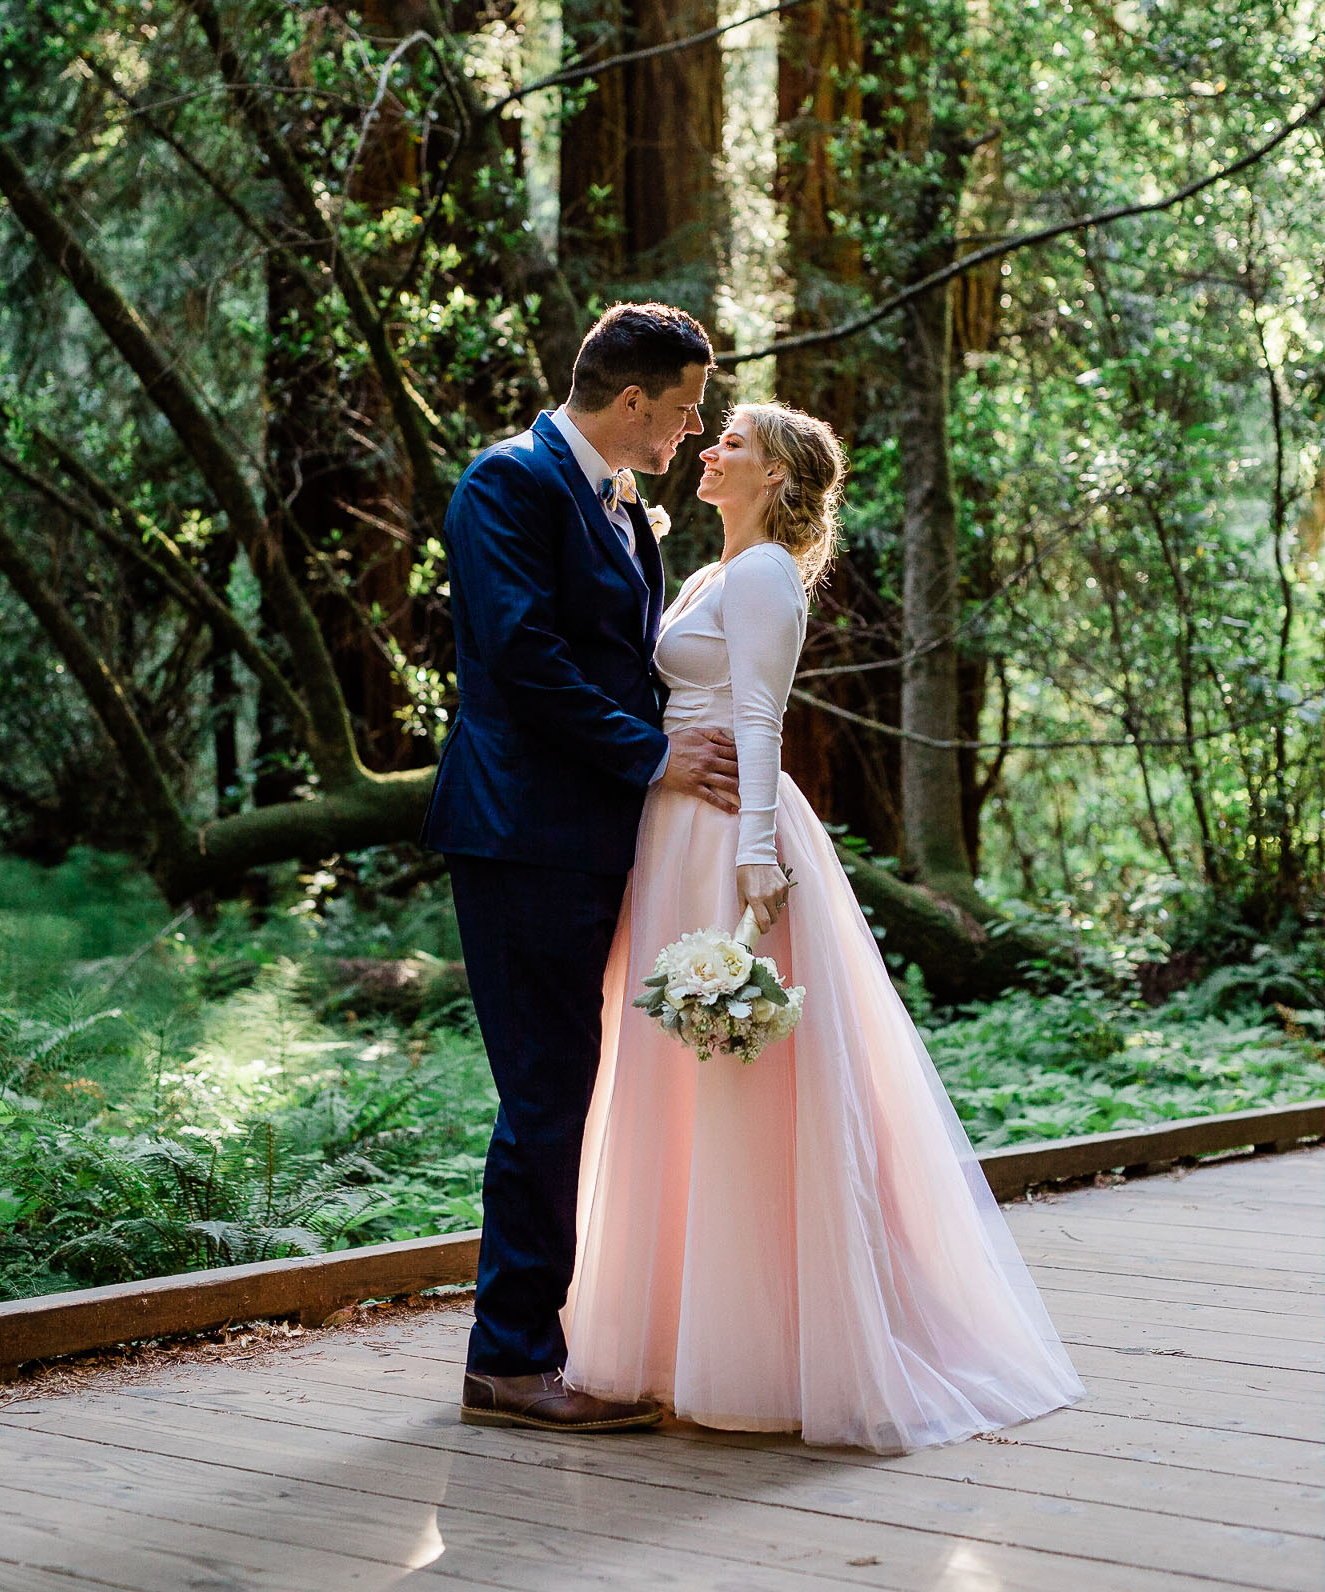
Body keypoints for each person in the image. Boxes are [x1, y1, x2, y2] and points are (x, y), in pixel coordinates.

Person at [564, 401, 1085, 1451]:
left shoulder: (761, 579)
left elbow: (760, 717)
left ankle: (762, 1348)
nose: (709, 449)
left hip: (726, 838)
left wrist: (756, 856)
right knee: (678, 1077)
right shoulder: (717, 570)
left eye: (733, 444)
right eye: (710, 439)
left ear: (778, 478)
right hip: (672, 830)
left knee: (739, 1083)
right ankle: (674, 1334)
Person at [423, 301, 741, 1434]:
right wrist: (651, 753)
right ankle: (508, 1359)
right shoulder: (504, 483)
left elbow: (626, 657)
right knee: (546, 1090)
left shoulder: (628, 511)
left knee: (572, 1085)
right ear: (633, 400)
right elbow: (522, 657)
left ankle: (534, 1342)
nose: (695, 427)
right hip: (520, 833)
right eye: (688, 404)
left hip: (599, 836)